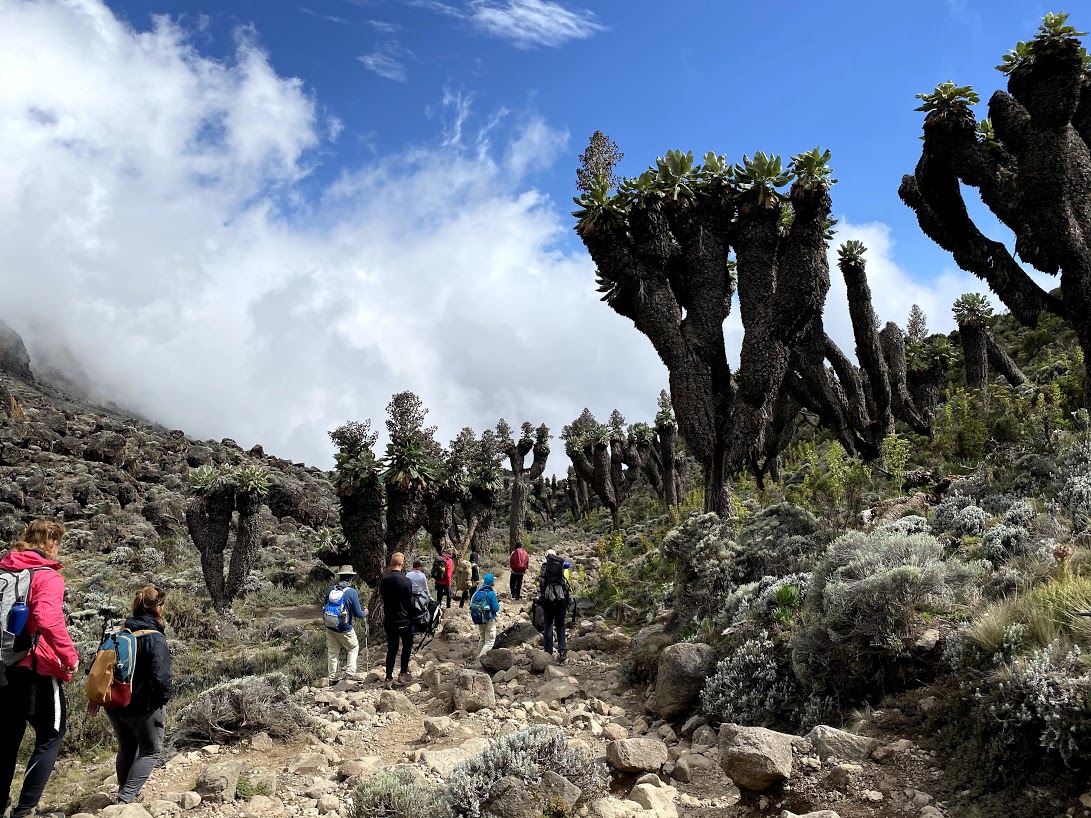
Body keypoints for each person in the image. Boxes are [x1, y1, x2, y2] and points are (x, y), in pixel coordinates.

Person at [0, 520, 79, 818]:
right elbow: (47, 620)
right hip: (32, 667)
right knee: (51, 733)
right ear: (53, 542)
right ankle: (27, 809)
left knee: (8, 738)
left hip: (1, 666)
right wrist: (69, 656)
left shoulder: (5, 569)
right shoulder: (46, 576)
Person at [104, 586, 173, 805]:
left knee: (127, 747)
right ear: (159, 608)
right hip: (143, 706)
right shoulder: (155, 638)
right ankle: (126, 798)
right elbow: (161, 678)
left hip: (115, 702)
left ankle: (126, 793)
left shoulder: (119, 631)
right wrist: (162, 700)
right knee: (151, 750)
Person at [323, 566, 368, 685]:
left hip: (330, 625)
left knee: (333, 651)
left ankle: (333, 678)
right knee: (353, 647)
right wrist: (365, 613)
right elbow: (358, 613)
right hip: (344, 628)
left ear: (340, 576)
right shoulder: (352, 592)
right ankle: (350, 673)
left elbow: (324, 605)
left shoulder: (330, 589)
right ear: (351, 578)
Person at [379, 552, 414, 688]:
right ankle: (403, 672)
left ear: (391, 563)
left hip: (389, 619)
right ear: (402, 564)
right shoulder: (406, 581)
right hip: (404, 620)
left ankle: (388, 677)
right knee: (406, 646)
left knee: (392, 648)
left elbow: (383, 597)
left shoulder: (384, 580)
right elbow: (410, 602)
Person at [538, 549, 569, 664]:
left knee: (548, 625)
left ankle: (548, 651)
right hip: (561, 601)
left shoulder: (544, 567)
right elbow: (567, 584)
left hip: (548, 601)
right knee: (560, 625)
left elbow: (540, 583)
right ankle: (562, 651)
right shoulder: (563, 567)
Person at [471, 574, 501, 660]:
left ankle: (478, 656)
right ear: (492, 583)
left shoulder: (477, 591)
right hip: (489, 619)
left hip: (479, 618)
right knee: (490, 641)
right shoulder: (491, 593)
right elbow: (496, 608)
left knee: (482, 638)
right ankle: (480, 659)